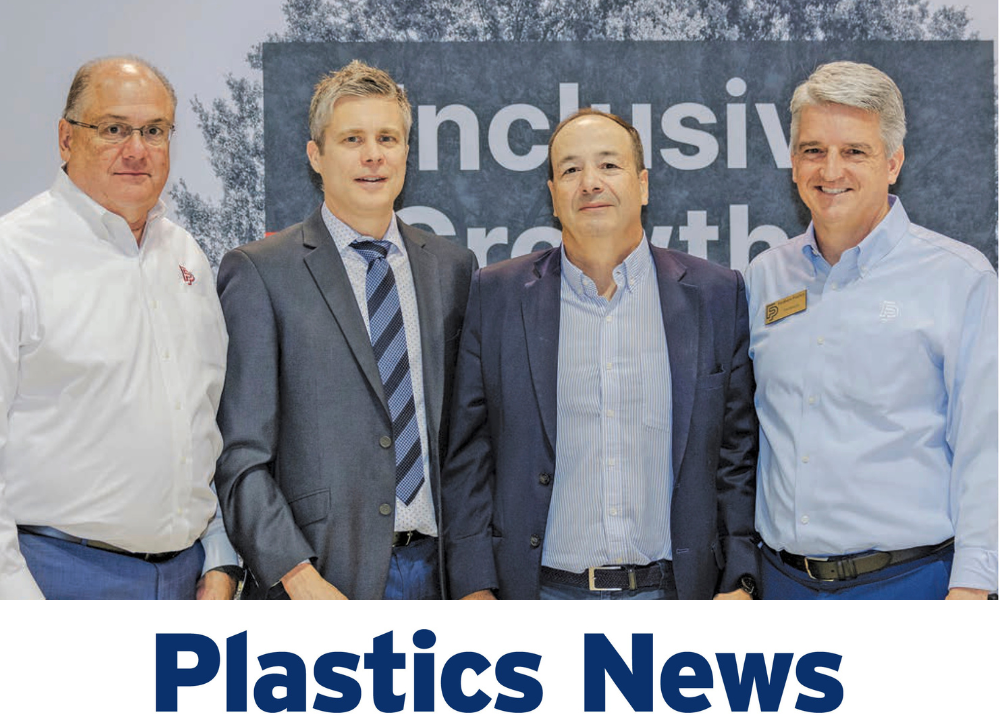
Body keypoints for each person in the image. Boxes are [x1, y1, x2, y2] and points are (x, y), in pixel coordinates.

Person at [442, 109, 759, 600]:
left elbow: (736, 455)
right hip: (539, 600)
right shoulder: (497, 294)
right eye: (570, 170)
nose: (590, 182)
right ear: (552, 196)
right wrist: (473, 588)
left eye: (609, 166)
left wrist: (739, 581)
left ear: (643, 184)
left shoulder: (716, 294)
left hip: (678, 597)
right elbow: (469, 455)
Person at [215, 60, 477, 600]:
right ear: (317, 156)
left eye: (388, 137)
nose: (373, 154)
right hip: (319, 582)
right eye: (352, 138)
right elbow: (239, 455)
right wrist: (297, 575)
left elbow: (469, 443)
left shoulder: (454, 268)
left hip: (440, 576)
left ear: (407, 151)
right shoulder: (261, 271)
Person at [742, 61, 998, 599]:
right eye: (814, 150)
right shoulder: (765, 277)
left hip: (912, 587)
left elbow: (986, 445)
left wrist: (975, 587)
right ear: (793, 163)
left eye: (854, 151)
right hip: (781, 587)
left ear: (893, 163)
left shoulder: (960, 278)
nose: (831, 170)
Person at [0, 56, 240, 599]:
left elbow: (206, 420)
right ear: (65, 139)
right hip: (56, 577)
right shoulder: (14, 256)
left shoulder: (186, 256)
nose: (137, 149)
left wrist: (221, 559)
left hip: (188, 579)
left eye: (154, 130)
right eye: (113, 129)